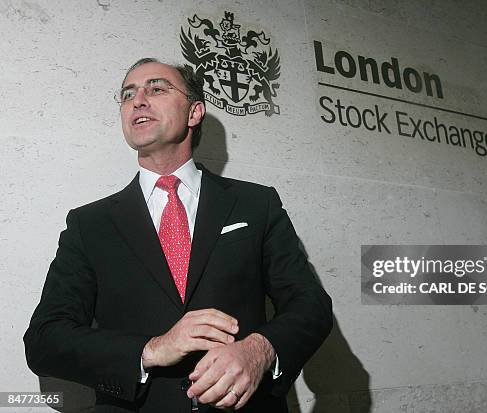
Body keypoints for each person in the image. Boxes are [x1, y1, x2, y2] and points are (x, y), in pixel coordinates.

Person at [24, 57, 333, 412]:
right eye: (127, 94)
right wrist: (151, 349)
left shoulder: (255, 203)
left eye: (156, 88)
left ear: (194, 112)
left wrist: (259, 350)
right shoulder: (89, 223)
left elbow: (311, 305)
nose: (138, 100)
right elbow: (45, 340)